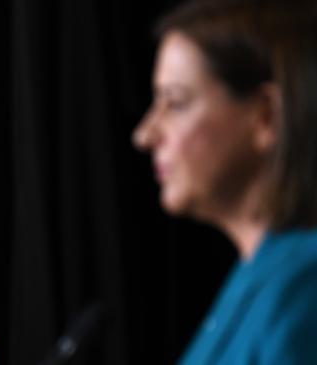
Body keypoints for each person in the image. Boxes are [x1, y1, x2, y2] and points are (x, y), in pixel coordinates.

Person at [133, 0, 317, 363]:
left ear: (265, 116)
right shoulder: (261, 274)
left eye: (176, 102)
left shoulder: (303, 290)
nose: (145, 135)